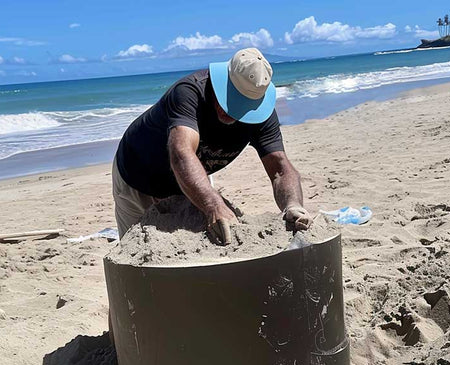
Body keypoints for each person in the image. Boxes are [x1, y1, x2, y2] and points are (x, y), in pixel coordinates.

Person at [112, 47, 312, 245]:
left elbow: (280, 168)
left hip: (190, 179)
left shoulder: (261, 114)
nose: (229, 111)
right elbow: (181, 153)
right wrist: (212, 204)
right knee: (139, 254)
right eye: (229, 98)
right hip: (138, 175)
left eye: (240, 105)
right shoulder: (189, 93)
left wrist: (292, 204)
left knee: (211, 241)